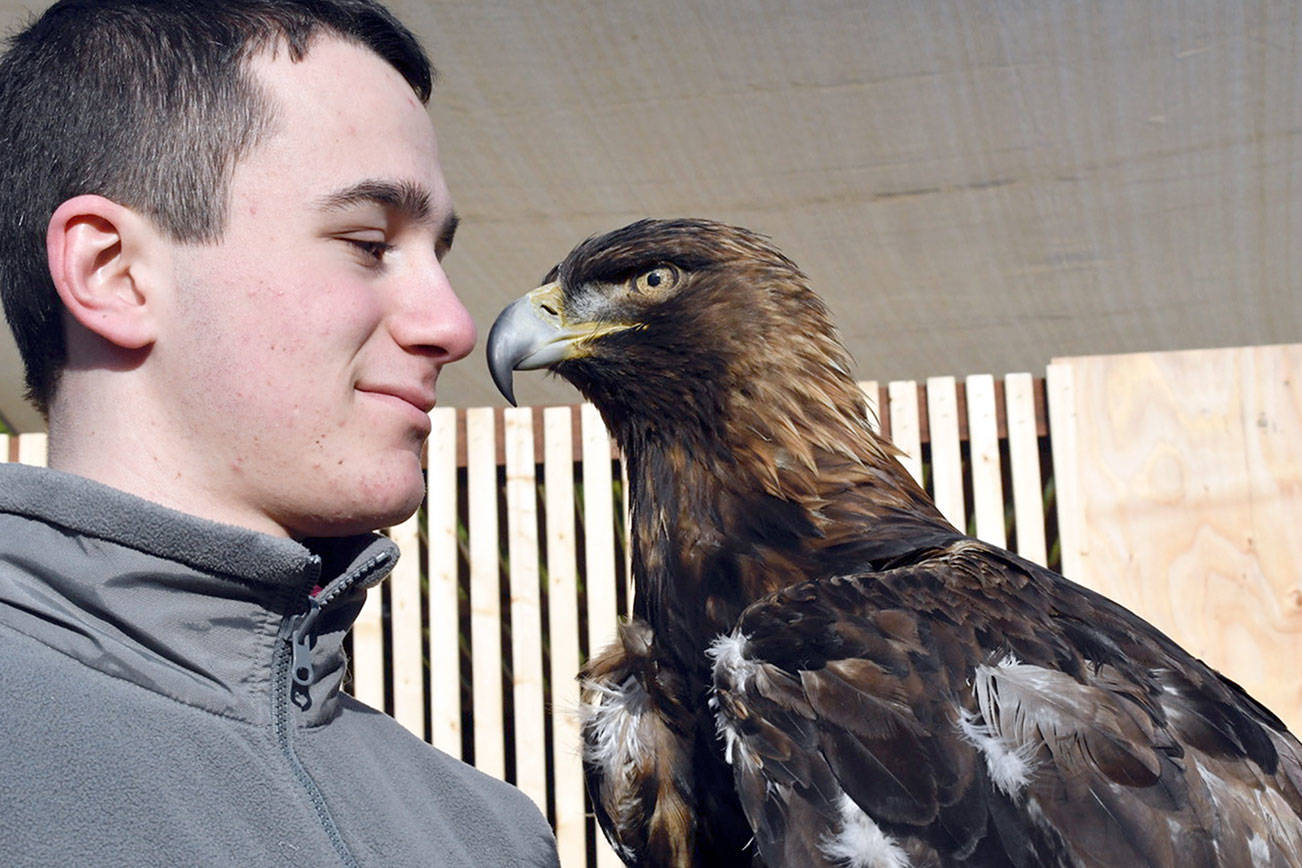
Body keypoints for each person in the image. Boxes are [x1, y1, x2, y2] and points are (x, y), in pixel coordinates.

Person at [0, 1, 560, 864]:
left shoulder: (490, 835)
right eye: (368, 242)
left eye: (437, 255)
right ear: (112, 272)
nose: (453, 326)